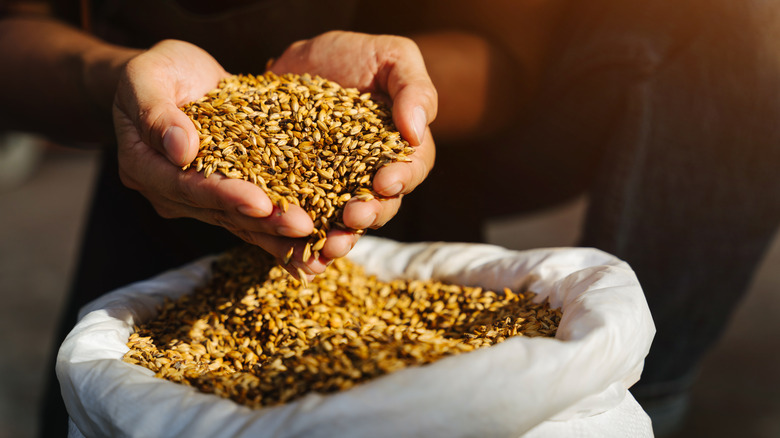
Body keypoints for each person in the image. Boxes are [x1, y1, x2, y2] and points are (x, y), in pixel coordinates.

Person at [1, 1, 779, 437]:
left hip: (443, 132)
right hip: (162, 131)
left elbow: (507, 55)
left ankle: (653, 383)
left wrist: (400, 91)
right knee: (109, 410)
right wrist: (111, 81)